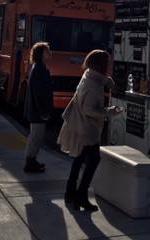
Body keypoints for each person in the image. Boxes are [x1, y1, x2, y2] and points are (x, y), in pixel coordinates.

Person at [57, 49, 122, 211]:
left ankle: (70, 193)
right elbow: (89, 110)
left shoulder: (89, 76)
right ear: (101, 65)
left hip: (80, 127)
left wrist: (107, 81)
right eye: (107, 63)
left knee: (78, 160)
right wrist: (109, 112)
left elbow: (98, 82)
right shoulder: (93, 85)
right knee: (93, 160)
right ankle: (81, 196)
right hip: (87, 130)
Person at [23, 41, 54, 173]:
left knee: (35, 136)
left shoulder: (38, 67)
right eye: (47, 51)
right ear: (41, 54)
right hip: (38, 111)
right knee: (36, 137)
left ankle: (32, 160)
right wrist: (43, 111)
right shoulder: (40, 69)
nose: (49, 53)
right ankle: (30, 162)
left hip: (36, 110)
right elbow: (39, 92)